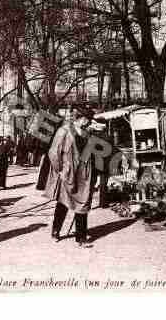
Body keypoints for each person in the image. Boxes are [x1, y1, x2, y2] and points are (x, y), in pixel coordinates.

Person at [45, 106, 97, 248]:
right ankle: (56, 230)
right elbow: (53, 153)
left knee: (83, 204)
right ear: (80, 118)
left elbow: (88, 155)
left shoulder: (88, 134)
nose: (88, 123)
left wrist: (92, 176)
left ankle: (81, 237)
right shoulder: (63, 131)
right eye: (87, 120)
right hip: (67, 173)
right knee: (63, 202)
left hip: (83, 175)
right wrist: (60, 170)